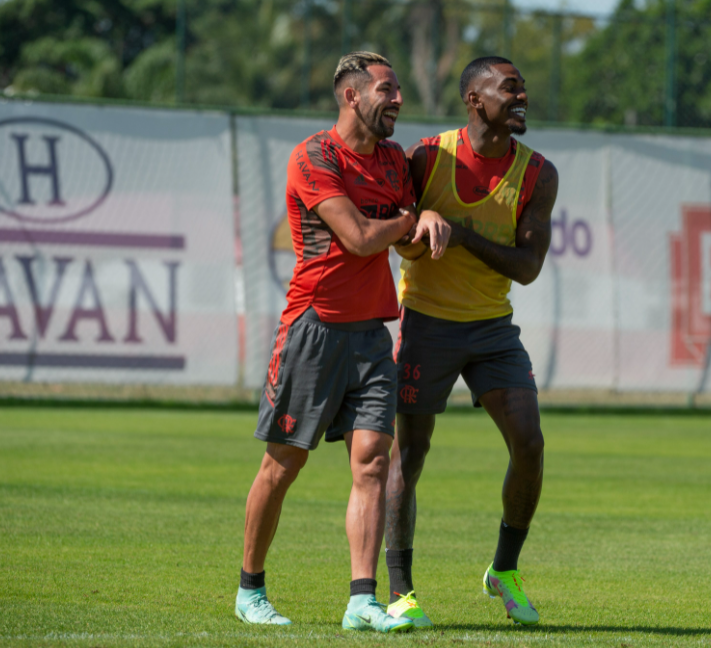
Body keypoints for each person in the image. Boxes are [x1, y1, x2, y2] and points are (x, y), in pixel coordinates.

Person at [235, 51, 450, 633]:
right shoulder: (314, 156)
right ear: (352, 96)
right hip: (313, 327)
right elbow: (358, 237)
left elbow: (399, 241)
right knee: (283, 464)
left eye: (401, 87)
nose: (399, 98)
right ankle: (249, 589)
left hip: (372, 336)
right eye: (387, 88)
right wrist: (411, 219)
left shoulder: (393, 161)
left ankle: (362, 600)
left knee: (373, 463)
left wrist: (422, 222)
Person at [383, 56, 559, 628]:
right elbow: (401, 228)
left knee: (529, 444)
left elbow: (528, 266)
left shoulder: (538, 173)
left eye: (524, 88)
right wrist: (421, 224)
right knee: (409, 455)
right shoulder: (427, 157)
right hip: (427, 322)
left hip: (491, 329)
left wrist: (459, 235)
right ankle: (402, 591)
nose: (521, 96)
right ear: (475, 100)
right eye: (510, 88)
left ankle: (503, 570)